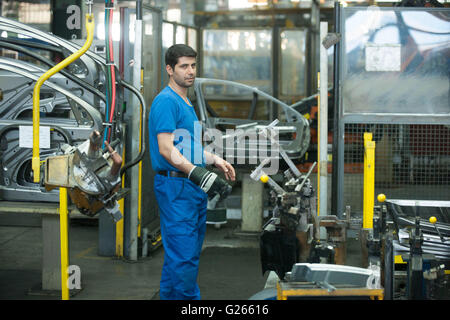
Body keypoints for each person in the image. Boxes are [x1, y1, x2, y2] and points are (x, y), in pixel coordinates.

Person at [149, 44, 236, 300]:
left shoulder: (185, 101)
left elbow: (187, 147)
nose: (190, 71)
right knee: (184, 258)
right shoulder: (166, 101)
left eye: (193, 65)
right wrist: (198, 174)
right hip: (176, 188)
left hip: (190, 188)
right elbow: (166, 149)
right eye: (183, 66)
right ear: (169, 69)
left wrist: (214, 160)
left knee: (182, 256)